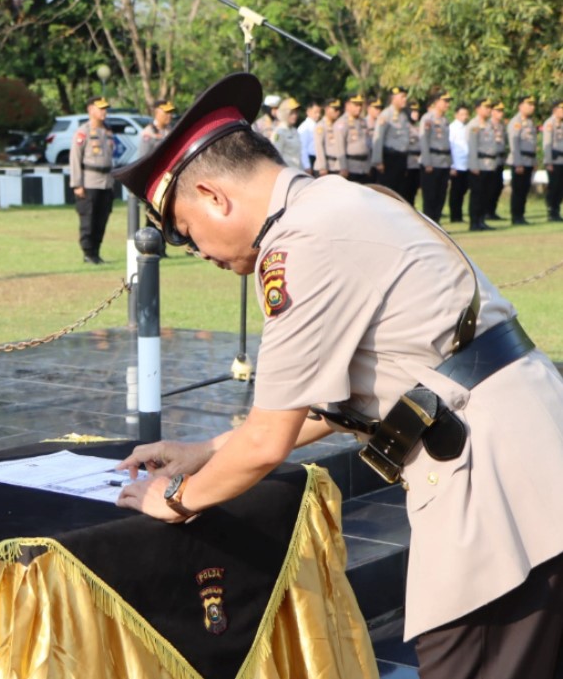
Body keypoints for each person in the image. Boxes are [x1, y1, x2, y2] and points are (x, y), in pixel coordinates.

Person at [111, 72, 563, 679]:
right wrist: (202, 450)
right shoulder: (343, 202)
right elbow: (320, 406)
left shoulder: (299, 243)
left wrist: (172, 500)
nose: (206, 256)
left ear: (215, 196)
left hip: (494, 485)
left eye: (190, 234)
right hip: (525, 449)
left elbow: (268, 439)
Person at [70, 97, 115, 264]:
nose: (104, 112)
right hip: (89, 182)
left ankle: (96, 252)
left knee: (102, 219)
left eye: (105, 108)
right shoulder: (84, 131)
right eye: (100, 108)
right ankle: (88, 253)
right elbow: (75, 159)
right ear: (90, 110)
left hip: (106, 182)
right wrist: (77, 184)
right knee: (88, 219)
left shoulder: (107, 131)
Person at [419, 92, 453, 223]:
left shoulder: (445, 120)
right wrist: (427, 162)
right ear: (436, 102)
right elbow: (424, 141)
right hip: (431, 162)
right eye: (445, 101)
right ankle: (429, 225)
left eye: (448, 101)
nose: (447, 104)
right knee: (430, 196)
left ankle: (437, 223)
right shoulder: (428, 119)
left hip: (444, 162)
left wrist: (450, 162)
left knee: (441, 195)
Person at [372, 86, 411, 194]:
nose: (405, 99)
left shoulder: (404, 115)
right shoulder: (386, 115)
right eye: (402, 97)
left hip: (401, 158)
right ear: (393, 98)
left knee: (399, 192)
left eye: (405, 97)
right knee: (388, 191)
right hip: (389, 159)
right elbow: (378, 138)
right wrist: (378, 161)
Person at [467, 98, 498, 231]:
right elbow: (472, 147)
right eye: (486, 107)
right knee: (477, 195)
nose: (489, 110)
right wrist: (474, 166)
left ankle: (482, 220)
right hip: (479, 164)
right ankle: (474, 222)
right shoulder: (474, 125)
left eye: (490, 107)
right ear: (478, 109)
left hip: (489, 164)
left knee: (486, 194)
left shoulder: (490, 124)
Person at [507, 95, 538, 225]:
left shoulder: (530, 122)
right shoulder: (516, 122)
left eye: (532, 104)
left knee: (525, 190)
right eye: (528, 104)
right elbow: (514, 145)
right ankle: (516, 216)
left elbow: (532, 143)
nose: (532, 107)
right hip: (519, 162)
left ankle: (521, 215)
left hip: (529, 160)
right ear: (521, 106)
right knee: (518, 190)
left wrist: (535, 161)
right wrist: (518, 163)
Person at [334, 94, 372, 183]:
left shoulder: (363, 122)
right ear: (347, 105)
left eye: (360, 105)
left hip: (363, 167)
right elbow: (340, 147)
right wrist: (343, 167)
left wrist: (369, 165)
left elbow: (367, 145)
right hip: (350, 167)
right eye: (356, 105)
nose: (359, 108)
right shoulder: (342, 122)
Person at [448, 103, 471, 223]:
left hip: (466, 164)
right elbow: (451, 146)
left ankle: (459, 215)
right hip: (457, 164)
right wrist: (452, 165)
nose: (465, 116)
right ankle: (455, 216)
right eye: (462, 114)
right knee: (456, 192)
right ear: (456, 115)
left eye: (466, 114)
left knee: (462, 191)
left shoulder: (467, 127)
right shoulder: (452, 128)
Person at [543, 100, 563, 222]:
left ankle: (556, 210)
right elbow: (547, 144)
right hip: (554, 161)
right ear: (555, 110)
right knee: (554, 187)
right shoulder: (549, 124)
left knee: (561, 188)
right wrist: (548, 161)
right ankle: (551, 211)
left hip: (562, 161)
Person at [269, 97, 302, 169]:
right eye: (292, 113)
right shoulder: (279, 132)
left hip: (297, 171)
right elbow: (276, 156)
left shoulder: (294, 130)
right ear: (285, 113)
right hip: (287, 173)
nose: (295, 116)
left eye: (296, 112)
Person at [311, 97, 341, 176]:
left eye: (338, 109)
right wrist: (322, 167)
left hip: (336, 166)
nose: (337, 112)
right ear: (327, 109)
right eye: (335, 109)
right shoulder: (321, 126)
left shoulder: (338, 126)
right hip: (325, 167)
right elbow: (319, 147)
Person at [489, 102, 509, 220]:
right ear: (492, 112)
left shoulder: (501, 126)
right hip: (490, 160)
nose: (500, 113)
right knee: (489, 187)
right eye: (498, 111)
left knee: (498, 186)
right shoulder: (488, 124)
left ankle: (492, 211)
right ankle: (486, 211)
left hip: (500, 159)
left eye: (502, 111)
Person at [297, 100, 321, 174]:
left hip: (317, 159)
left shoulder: (317, 125)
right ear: (308, 112)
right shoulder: (304, 127)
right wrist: (307, 166)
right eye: (315, 112)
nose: (318, 115)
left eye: (319, 112)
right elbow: (302, 148)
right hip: (310, 159)